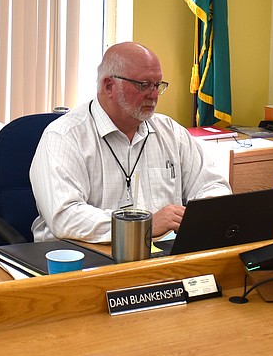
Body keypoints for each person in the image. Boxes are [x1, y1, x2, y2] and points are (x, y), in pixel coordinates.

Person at [30, 42, 231, 242]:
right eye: (143, 85)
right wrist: (143, 225)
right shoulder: (64, 137)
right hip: (85, 259)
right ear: (109, 86)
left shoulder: (170, 132)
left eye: (157, 85)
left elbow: (213, 184)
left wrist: (204, 212)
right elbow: (65, 217)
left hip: (163, 257)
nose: (153, 95)